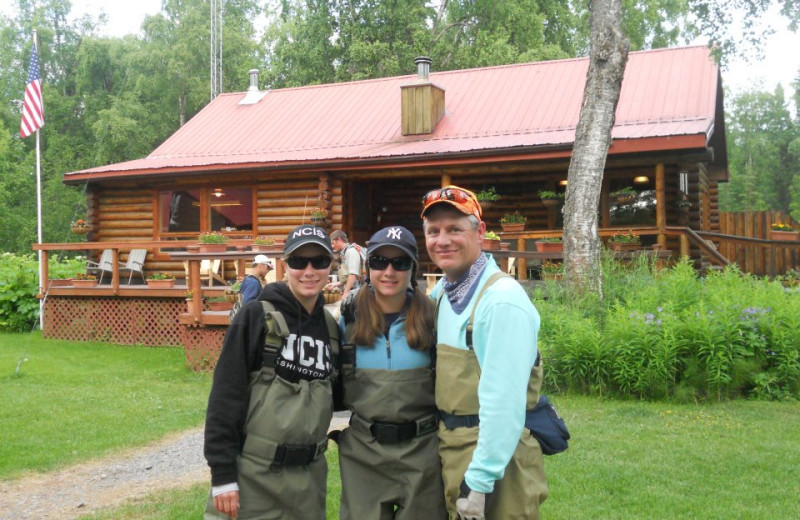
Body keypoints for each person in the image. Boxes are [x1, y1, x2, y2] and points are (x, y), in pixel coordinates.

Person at [421, 185, 548, 519]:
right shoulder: (444, 296)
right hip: (454, 450)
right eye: (433, 231)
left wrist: (478, 484)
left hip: (494, 464)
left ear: (479, 232)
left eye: (454, 229)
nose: (442, 240)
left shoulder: (501, 300)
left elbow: (503, 404)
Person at [204, 224, 340, 520]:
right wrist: (223, 475)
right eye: (297, 261)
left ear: (330, 266)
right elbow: (225, 397)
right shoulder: (254, 316)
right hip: (254, 477)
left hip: (309, 482)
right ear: (284, 265)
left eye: (318, 262)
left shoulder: (330, 330)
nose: (308, 270)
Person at [336, 226, 446, 520]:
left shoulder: (434, 317)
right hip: (363, 452)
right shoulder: (347, 318)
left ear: (413, 268)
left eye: (400, 262)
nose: (389, 271)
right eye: (379, 261)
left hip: (424, 451)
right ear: (368, 265)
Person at [328, 230, 365, 300]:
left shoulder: (351, 252)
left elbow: (352, 275)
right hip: (355, 290)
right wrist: (335, 284)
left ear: (339, 239)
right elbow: (347, 277)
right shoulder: (344, 252)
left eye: (333, 243)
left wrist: (345, 293)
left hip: (359, 291)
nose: (332, 246)